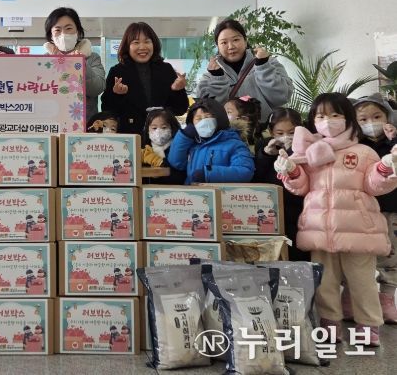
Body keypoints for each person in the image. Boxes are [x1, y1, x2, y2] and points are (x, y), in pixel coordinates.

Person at [274, 93, 397, 346]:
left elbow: (374, 185)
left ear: (348, 118)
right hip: (319, 228)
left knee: (362, 281)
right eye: (320, 116)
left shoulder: (363, 152)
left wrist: (385, 167)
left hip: (358, 230)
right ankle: (329, 322)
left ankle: (368, 325)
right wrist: (292, 172)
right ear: (313, 121)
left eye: (334, 114)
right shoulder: (309, 153)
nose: (327, 121)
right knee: (325, 281)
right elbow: (302, 187)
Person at [341, 94, 397, 324]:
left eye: (376, 117)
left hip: (391, 210)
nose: (370, 123)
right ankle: (349, 297)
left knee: (391, 256)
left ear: (388, 118)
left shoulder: (393, 142)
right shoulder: (352, 146)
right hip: (359, 211)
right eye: (363, 119)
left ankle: (387, 299)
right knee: (355, 255)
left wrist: (394, 141)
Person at [196, 19, 293, 122]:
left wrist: (263, 67)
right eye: (224, 42)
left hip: (264, 129)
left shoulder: (269, 63)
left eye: (236, 40)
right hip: (227, 131)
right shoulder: (210, 76)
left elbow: (282, 97)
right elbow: (206, 110)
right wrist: (217, 78)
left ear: (245, 41)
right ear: (218, 46)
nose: (231, 46)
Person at [101, 22, 188, 134]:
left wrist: (178, 90)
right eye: (136, 42)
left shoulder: (166, 69)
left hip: (162, 136)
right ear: (127, 46)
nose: (142, 47)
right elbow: (107, 111)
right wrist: (117, 95)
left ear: (154, 44)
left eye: (147, 41)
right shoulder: (117, 71)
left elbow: (180, 109)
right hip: (131, 135)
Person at [252, 107, 307, 261]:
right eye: (280, 133)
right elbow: (256, 178)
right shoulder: (264, 147)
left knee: (298, 253)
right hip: (272, 212)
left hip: (298, 211)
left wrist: (291, 152)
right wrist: (265, 155)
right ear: (271, 132)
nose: (286, 137)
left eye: (291, 132)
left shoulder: (307, 148)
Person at [167, 97, 254, 185]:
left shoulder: (234, 144)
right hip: (193, 192)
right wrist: (184, 137)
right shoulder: (193, 143)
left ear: (220, 118)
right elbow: (176, 163)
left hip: (220, 192)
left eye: (208, 117)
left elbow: (245, 171)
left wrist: (208, 174)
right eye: (198, 119)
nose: (203, 121)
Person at [43, 7, 106, 120]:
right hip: (52, 122)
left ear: (78, 31)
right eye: (57, 30)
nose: (63, 34)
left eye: (68, 28)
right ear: (51, 36)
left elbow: (97, 88)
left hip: (85, 124)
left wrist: (81, 64)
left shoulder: (92, 58)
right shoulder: (44, 61)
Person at [141, 107, 186, 185]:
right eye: (154, 128)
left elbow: (180, 176)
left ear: (172, 128)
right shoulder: (144, 150)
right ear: (148, 130)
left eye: (164, 127)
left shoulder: (179, 149)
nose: (158, 131)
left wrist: (161, 163)